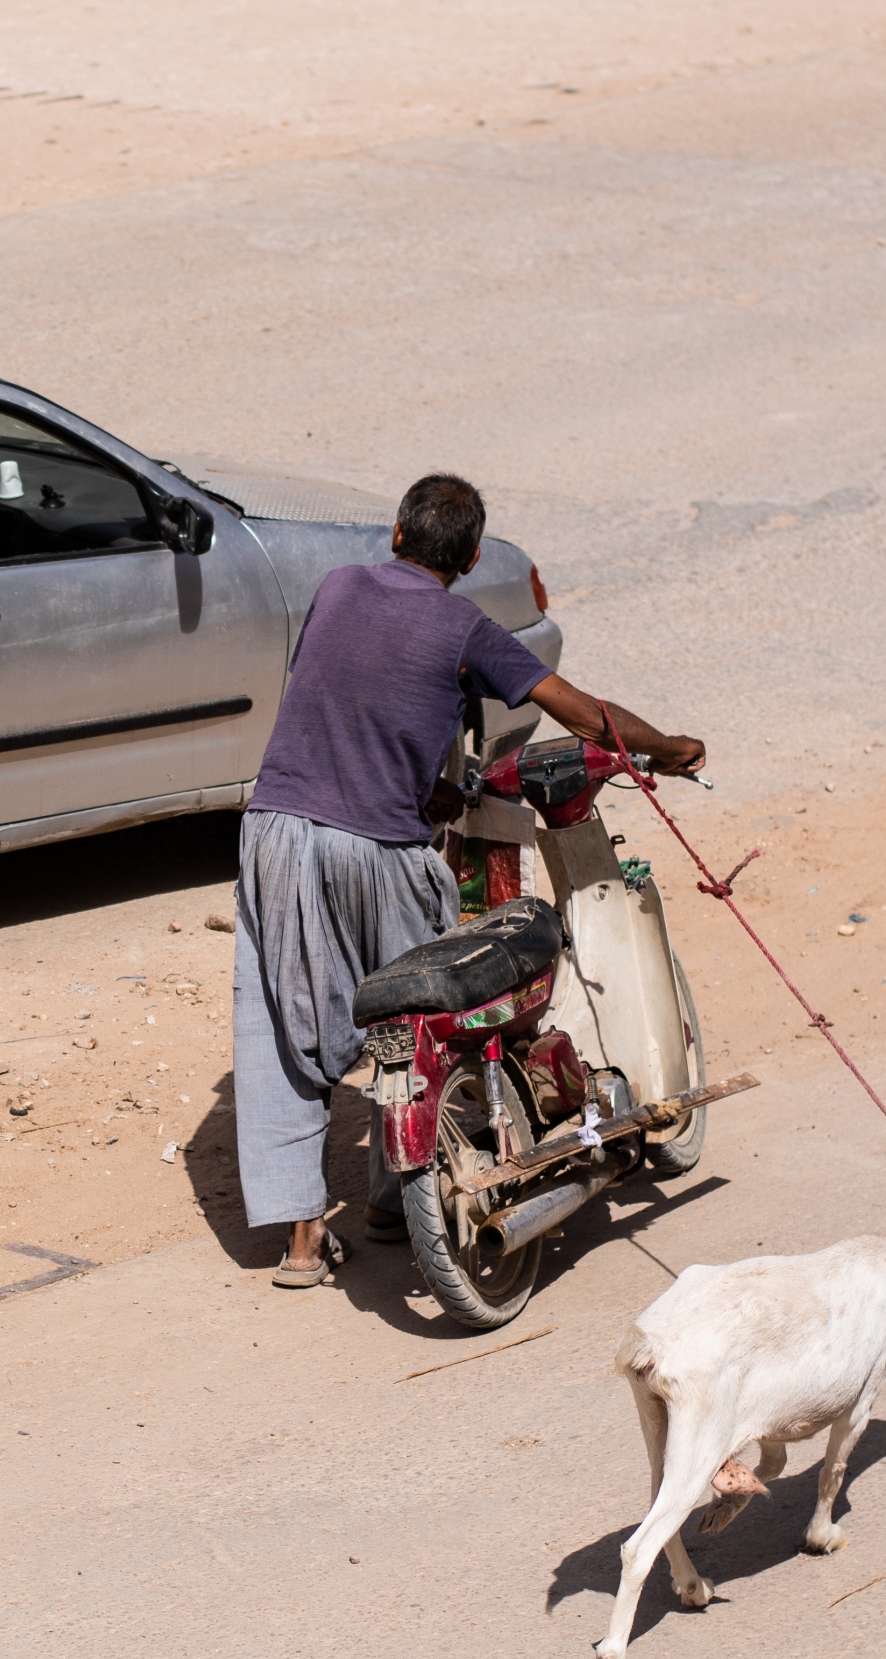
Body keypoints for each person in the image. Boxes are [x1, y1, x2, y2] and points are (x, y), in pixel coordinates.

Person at [231, 473, 705, 1287]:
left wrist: (430, 785)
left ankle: (305, 1245)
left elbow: (357, 700)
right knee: (424, 1016)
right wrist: (668, 748)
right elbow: (585, 714)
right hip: (379, 849)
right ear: (475, 555)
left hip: (277, 830)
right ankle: (396, 1201)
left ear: (396, 534)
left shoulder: (338, 587)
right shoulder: (466, 628)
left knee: (283, 1028)